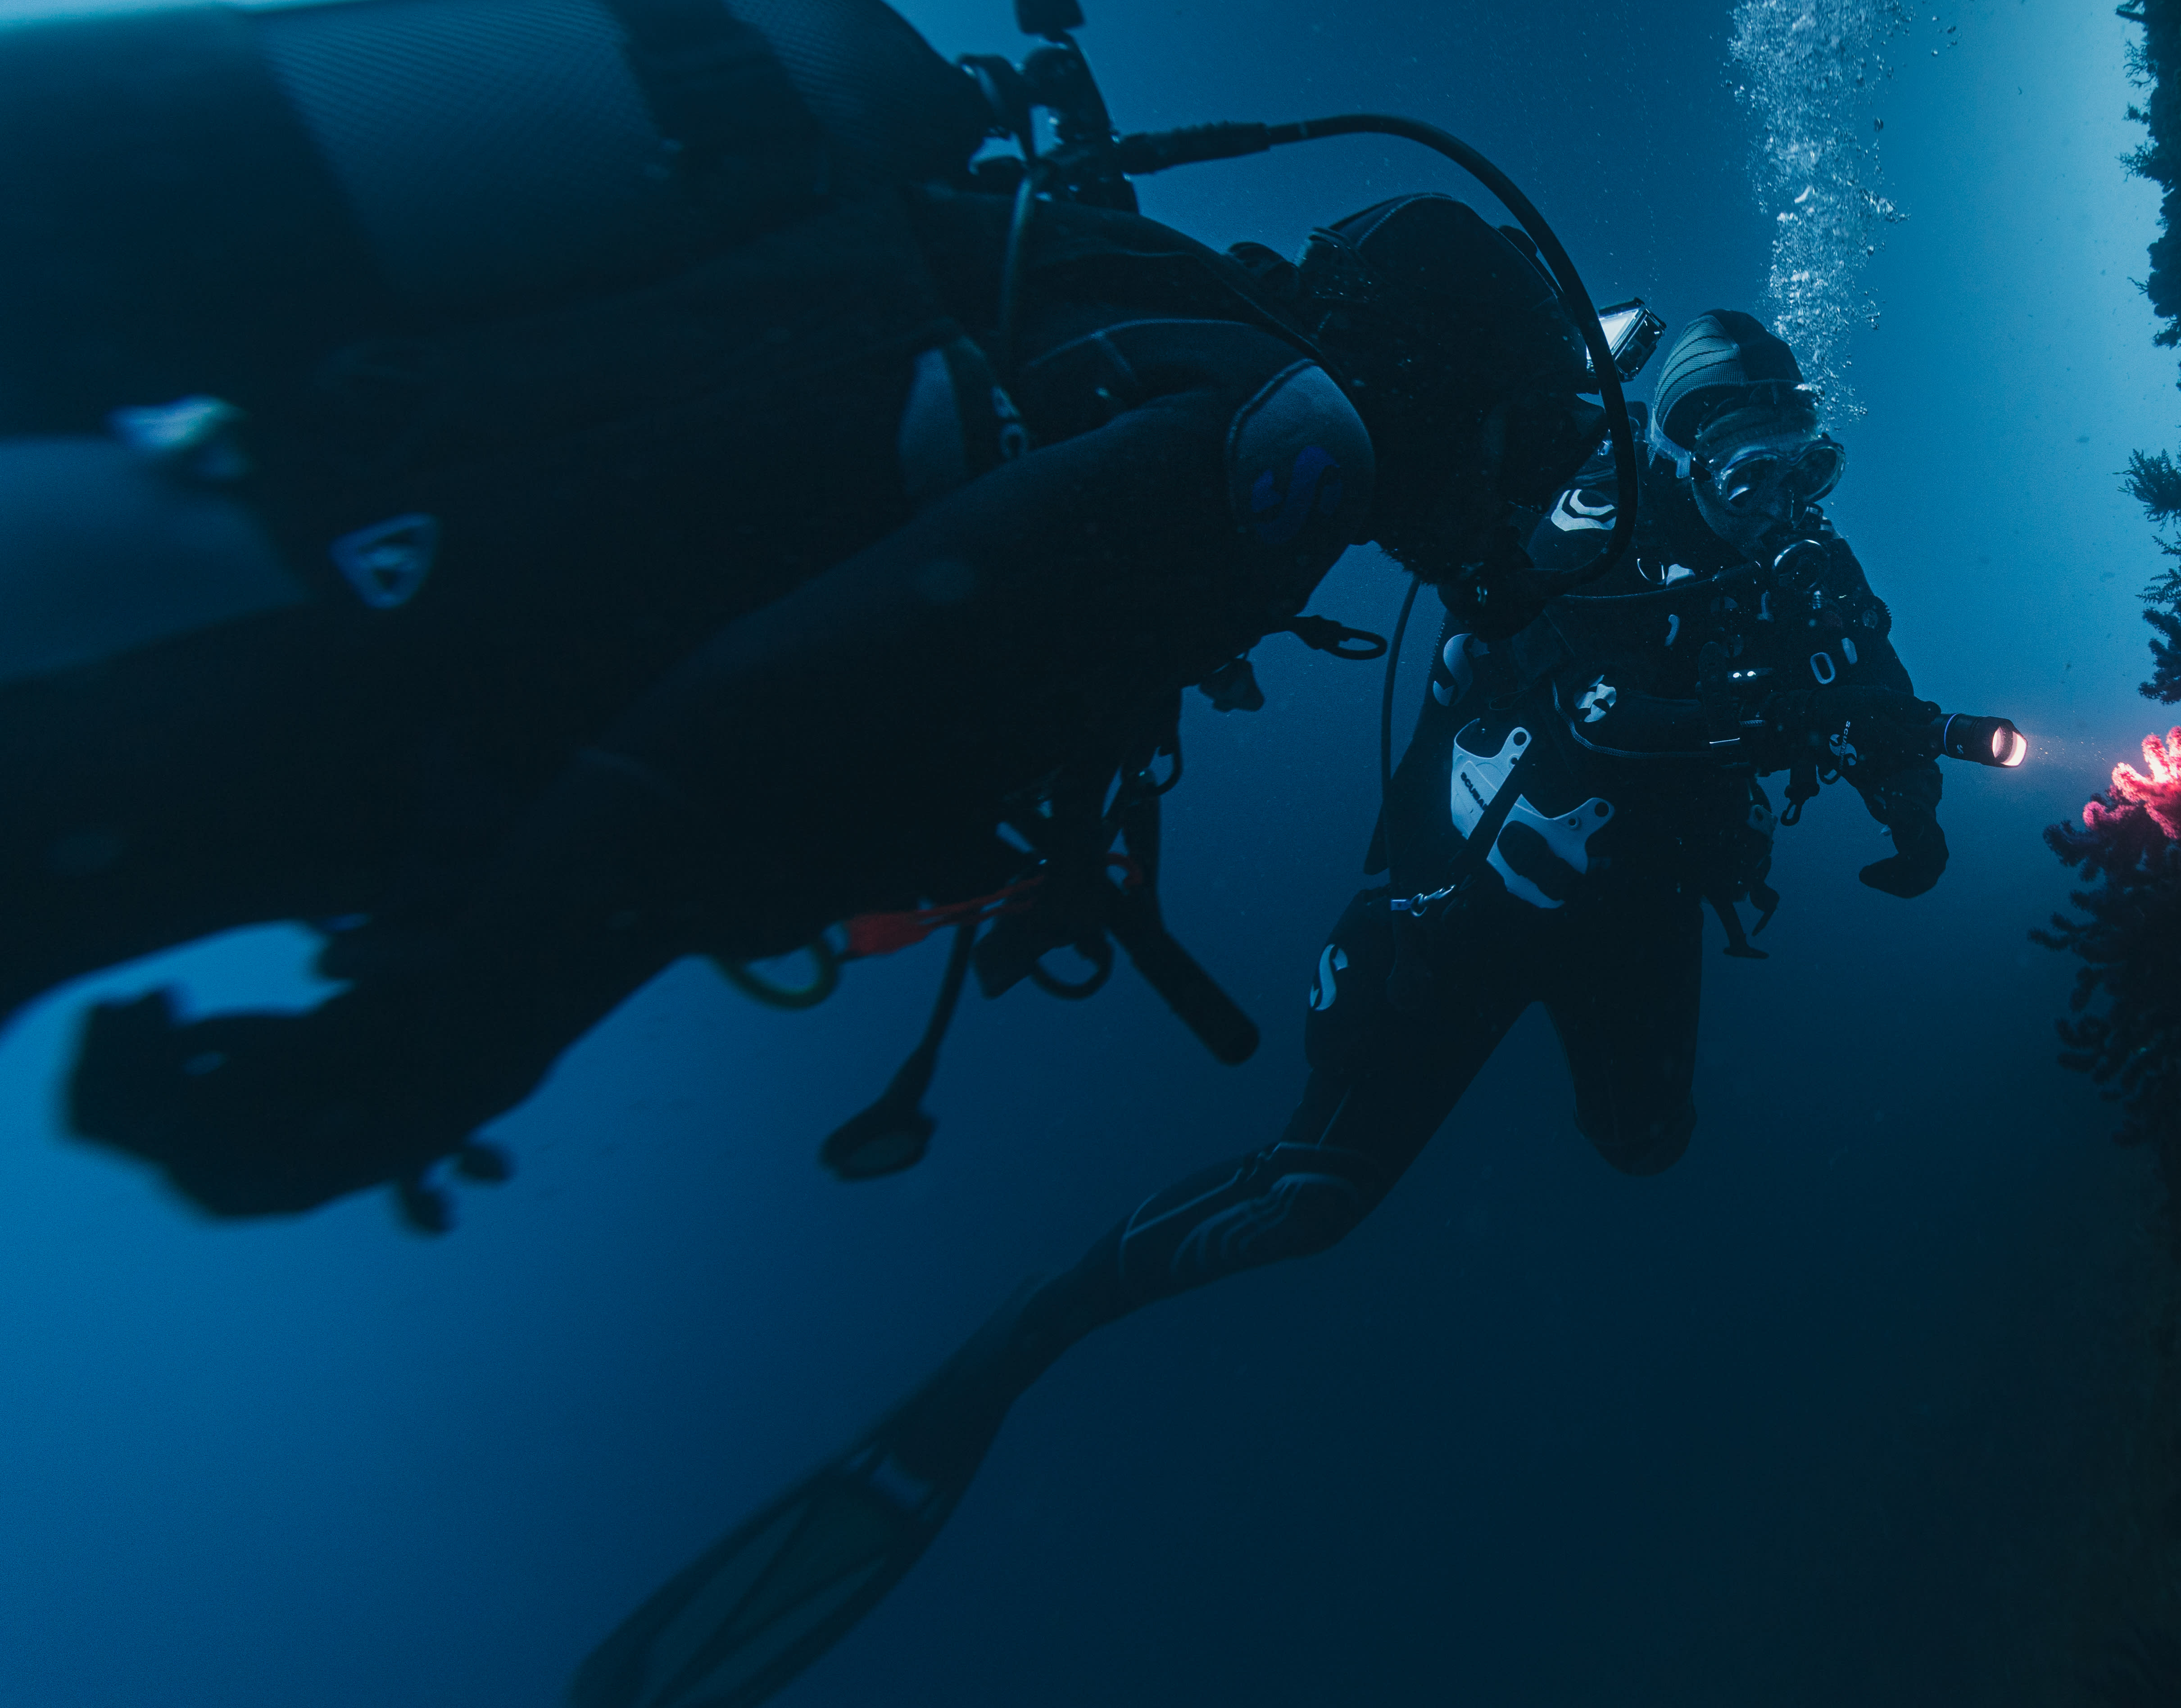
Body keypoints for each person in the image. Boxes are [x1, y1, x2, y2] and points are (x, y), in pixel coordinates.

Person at [1, 0, 1619, 1230]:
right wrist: (443, 1054)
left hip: (330, 579)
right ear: (1445, 374)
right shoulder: (1291, 448)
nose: (1515, 509)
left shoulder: (1111, 297)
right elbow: (763, 712)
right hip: (336, 659)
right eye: (1532, 443)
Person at [570, 310, 1956, 1708]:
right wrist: (1791, 730)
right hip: (1466, 910)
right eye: (1744, 457)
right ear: (1676, 435)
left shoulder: (1806, 564)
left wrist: (1907, 790)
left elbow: (1871, 677)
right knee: (1311, 1199)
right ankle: (1037, 1328)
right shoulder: (1584, 518)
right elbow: (1598, 712)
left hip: (1634, 905)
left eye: (1801, 465)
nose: (1777, 493)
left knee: (1644, 1139)